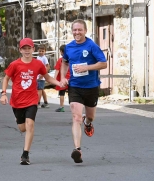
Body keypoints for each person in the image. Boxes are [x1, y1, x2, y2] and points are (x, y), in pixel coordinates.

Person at [0, 38, 64, 165]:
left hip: (32, 100)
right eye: (24, 48)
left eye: (29, 48)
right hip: (17, 101)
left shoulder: (38, 64)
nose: (27, 51)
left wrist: (59, 83)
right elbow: (6, 78)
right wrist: (3, 94)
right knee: (22, 128)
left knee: (30, 125)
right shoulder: (15, 64)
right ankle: (19, 120)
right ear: (20, 50)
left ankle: (25, 154)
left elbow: (47, 77)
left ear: (33, 49)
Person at [60, 19, 107, 164]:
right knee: (76, 117)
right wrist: (62, 77)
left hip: (91, 87)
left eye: (80, 30)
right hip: (75, 86)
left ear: (85, 31)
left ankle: (88, 122)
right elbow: (65, 62)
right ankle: (77, 149)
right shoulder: (69, 47)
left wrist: (87, 68)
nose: (77, 32)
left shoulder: (92, 46)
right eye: (74, 30)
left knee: (90, 117)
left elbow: (103, 63)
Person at [54, 44, 70, 112]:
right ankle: (73, 106)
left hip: (62, 79)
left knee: (61, 93)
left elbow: (57, 70)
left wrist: (54, 79)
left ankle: (62, 107)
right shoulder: (70, 59)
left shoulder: (60, 60)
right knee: (71, 93)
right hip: (70, 78)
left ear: (61, 51)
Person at [36, 44, 50, 108]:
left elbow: (47, 67)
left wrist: (43, 74)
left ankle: (38, 103)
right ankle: (46, 102)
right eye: (40, 51)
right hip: (38, 75)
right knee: (41, 89)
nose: (41, 52)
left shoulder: (44, 58)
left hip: (41, 77)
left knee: (39, 90)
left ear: (45, 51)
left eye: (42, 51)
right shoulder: (38, 57)